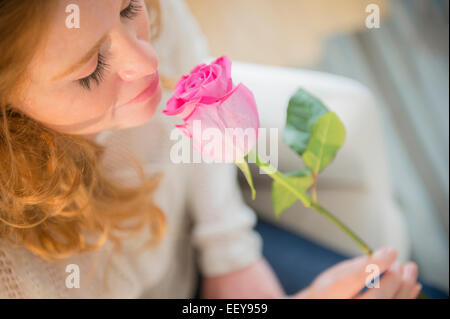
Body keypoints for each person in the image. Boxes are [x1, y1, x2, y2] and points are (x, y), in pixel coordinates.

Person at [0, 0, 421, 298]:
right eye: (91, 70)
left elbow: (194, 117)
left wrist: (230, 253)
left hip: (203, 246)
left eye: (130, 7)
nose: (148, 60)